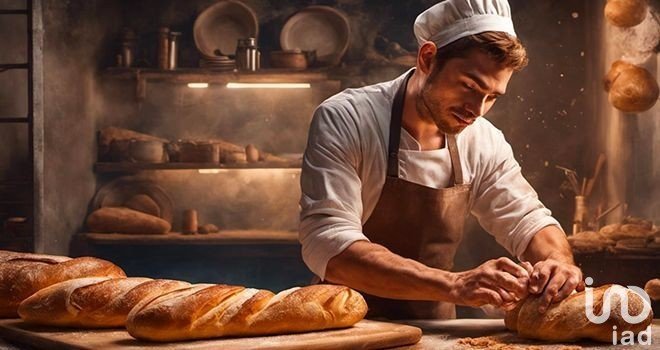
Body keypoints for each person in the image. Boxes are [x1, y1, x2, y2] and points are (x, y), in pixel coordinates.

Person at [298, 0, 583, 319]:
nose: (477, 109)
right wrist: (454, 284)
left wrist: (559, 263)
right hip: (346, 324)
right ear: (428, 58)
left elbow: (526, 218)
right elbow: (329, 244)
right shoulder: (347, 119)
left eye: (492, 97)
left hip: (436, 332)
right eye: (469, 86)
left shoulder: (482, 140)